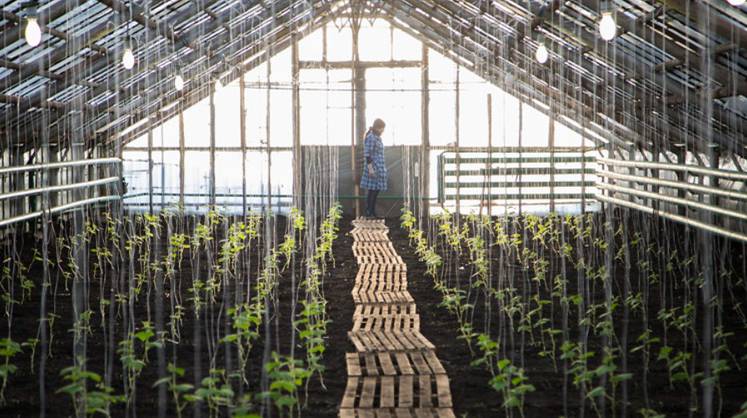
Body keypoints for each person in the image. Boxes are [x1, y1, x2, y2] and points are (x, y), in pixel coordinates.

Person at [360, 118, 387, 218]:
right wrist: (371, 169)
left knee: (375, 190)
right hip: (373, 168)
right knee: (372, 191)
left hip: (379, 168)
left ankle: (372, 212)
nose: (383, 131)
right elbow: (368, 154)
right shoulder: (371, 137)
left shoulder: (377, 137)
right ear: (377, 127)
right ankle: (369, 212)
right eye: (382, 129)